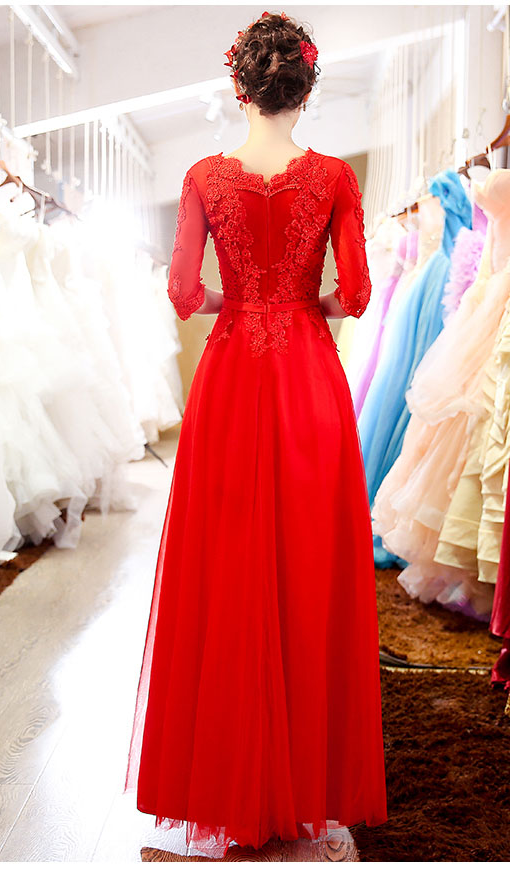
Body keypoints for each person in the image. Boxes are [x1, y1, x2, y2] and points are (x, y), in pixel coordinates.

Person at [124, 11, 387, 858]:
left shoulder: (202, 176)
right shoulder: (335, 178)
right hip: (308, 374)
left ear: (238, 87)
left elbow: (180, 292)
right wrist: (304, 302)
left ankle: (231, 782)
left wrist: (235, 300)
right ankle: (311, 785)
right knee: (310, 567)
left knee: (227, 568)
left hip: (232, 376)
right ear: (305, 91)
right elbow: (357, 294)